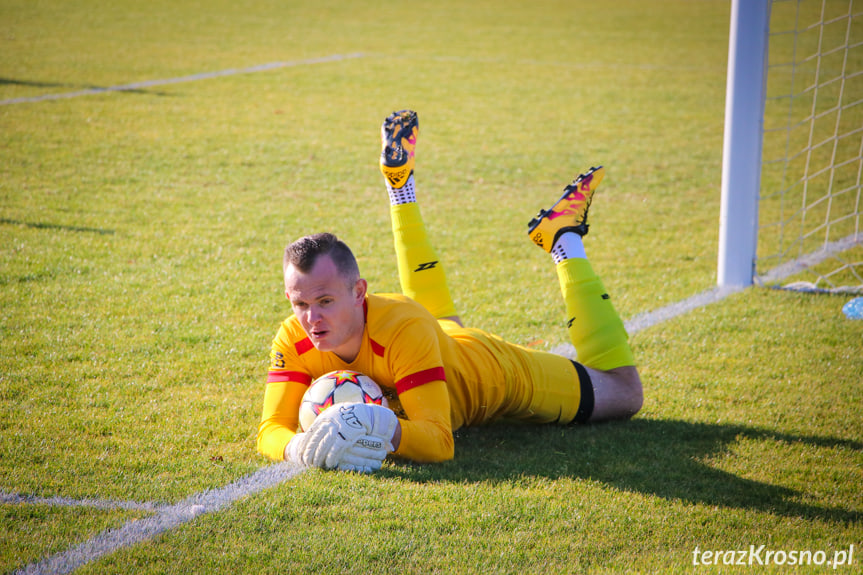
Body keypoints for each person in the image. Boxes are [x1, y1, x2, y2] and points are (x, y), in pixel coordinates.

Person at [257, 110, 642, 472]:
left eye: (325, 301)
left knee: (625, 391)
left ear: (359, 292)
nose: (311, 318)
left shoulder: (402, 329)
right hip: (437, 341)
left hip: (491, 371)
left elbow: (441, 443)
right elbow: (271, 429)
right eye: (300, 304)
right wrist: (296, 448)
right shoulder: (293, 336)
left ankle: (564, 241)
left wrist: (381, 425)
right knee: (435, 323)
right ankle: (400, 189)